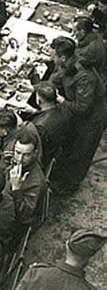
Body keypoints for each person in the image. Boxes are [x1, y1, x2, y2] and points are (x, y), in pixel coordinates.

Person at [49, 36, 107, 194]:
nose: (51, 57)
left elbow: (82, 107)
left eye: (52, 55)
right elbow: (58, 78)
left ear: (62, 57)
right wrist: (38, 87)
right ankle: (60, 175)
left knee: (80, 152)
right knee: (70, 146)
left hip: (92, 119)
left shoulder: (84, 76)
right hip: (80, 113)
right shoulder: (69, 62)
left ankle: (69, 185)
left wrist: (61, 100)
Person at [7, 127, 47, 227]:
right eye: (18, 152)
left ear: (35, 153)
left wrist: (16, 188)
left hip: (17, 221)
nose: (20, 159)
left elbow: (24, 216)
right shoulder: (17, 161)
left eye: (26, 155)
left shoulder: (36, 181)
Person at [30, 82, 71, 170]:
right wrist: (34, 112)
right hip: (54, 150)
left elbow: (31, 145)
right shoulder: (63, 109)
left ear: (39, 100)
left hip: (41, 158)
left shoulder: (39, 127)